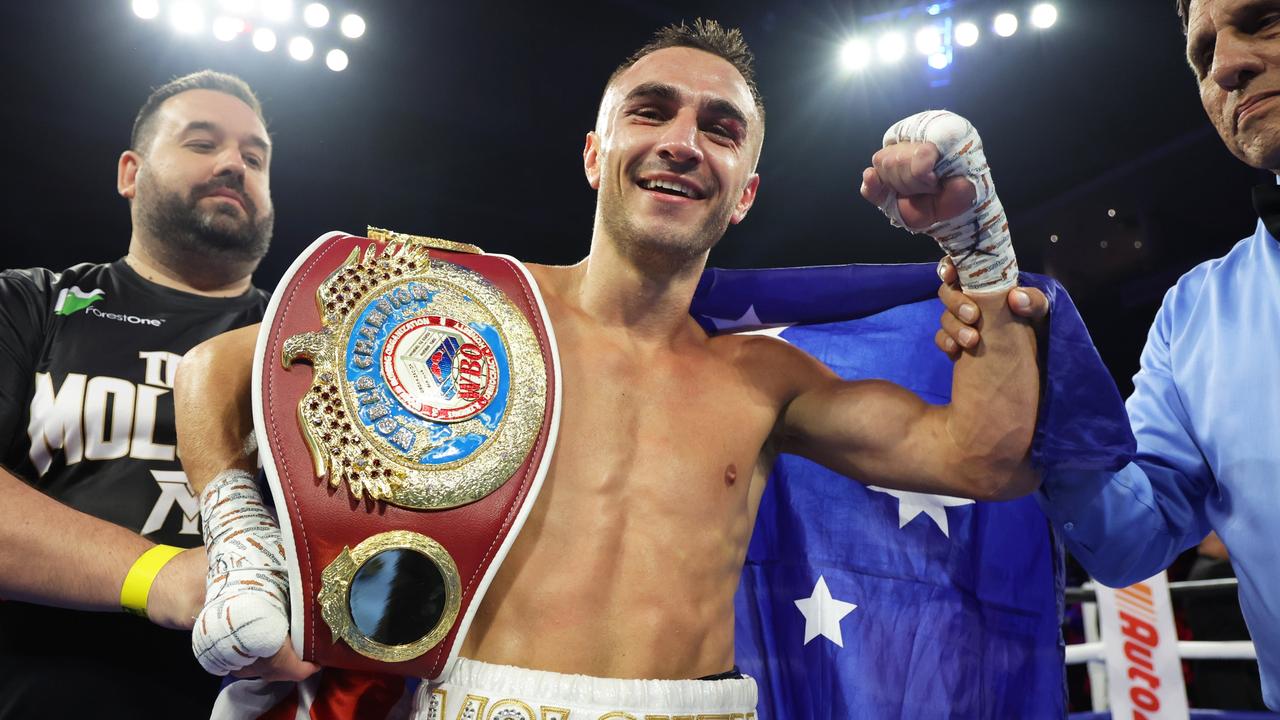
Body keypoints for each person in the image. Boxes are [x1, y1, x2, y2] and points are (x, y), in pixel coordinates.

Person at [175, 21, 1043, 717]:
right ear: (596, 154)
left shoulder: (764, 377)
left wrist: (977, 244)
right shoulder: (471, 306)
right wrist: (240, 540)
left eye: (720, 128)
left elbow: (981, 457)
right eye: (651, 111)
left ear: (743, 192)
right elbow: (214, 372)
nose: (682, 142)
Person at [937, 0, 1280, 709]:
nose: (1226, 66)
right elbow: (1132, 537)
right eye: (1203, 53)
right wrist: (1035, 379)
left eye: (1266, 19)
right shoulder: (1195, 316)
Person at [0, 70, 278, 718]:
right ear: (131, 171)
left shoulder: (310, 343)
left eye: (255, 156)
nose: (234, 164)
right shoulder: (30, 303)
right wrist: (159, 576)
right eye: (203, 143)